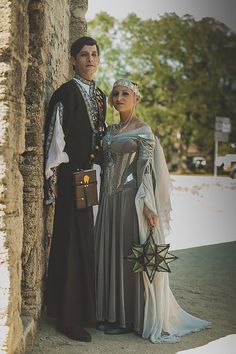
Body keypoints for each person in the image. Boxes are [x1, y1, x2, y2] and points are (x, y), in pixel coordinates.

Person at [95, 79, 211, 343]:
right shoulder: (110, 129)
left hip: (129, 200)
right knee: (109, 254)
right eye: (116, 93)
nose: (119, 97)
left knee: (128, 257)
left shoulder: (143, 130)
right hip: (107, 202)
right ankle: (110, 313)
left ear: (136, 99)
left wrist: (149, 208)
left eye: (125, 93)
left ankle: (129, 318)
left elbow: (146, 172)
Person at [44, 36, 106, 342]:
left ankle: (84, 311)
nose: (90, 59)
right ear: (73, 59)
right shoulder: (65, 94)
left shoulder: (100, 96)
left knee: (86, 241)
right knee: (69, 241)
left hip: (89, 177)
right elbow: (55, 139)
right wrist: (51, 178)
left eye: (94, 54)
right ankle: (66, 319)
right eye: (84, 54)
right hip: (71, 177)